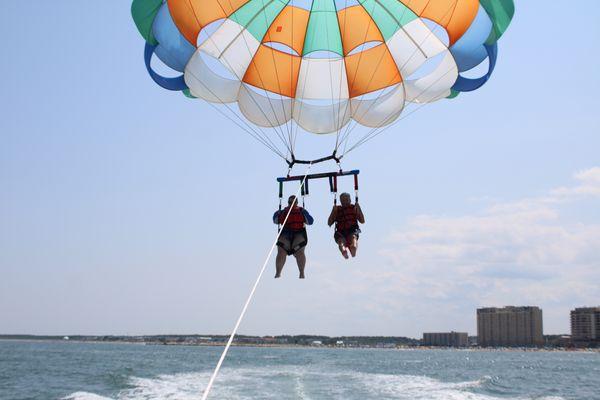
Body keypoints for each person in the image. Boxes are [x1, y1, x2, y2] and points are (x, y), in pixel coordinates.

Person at [273, 195, 314, 279]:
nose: (291, 204)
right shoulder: (283, 211)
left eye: (293, 202)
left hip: (298, 233)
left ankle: (301, 273)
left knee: (299, 252)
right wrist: (279, 212)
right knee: (281, 252)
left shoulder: (301, 211)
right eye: (290, 202)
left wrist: (304, 213)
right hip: (285, 233)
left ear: (297, 203)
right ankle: (278, 272)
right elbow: (275, 220)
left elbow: (310, 222)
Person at [328, 192, 365, 259]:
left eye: (346, 200)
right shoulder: (337, 209)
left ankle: (353, 248)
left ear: (350, 200)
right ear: (340, 201)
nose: (345, 202)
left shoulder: (354, 208)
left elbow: (362, 221)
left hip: (353, 230)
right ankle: (343, 251)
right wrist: (333, 212)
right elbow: (329, 223)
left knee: (353, 237)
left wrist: (359, 208)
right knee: (341, 242)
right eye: (343, 200)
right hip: (341, 231)